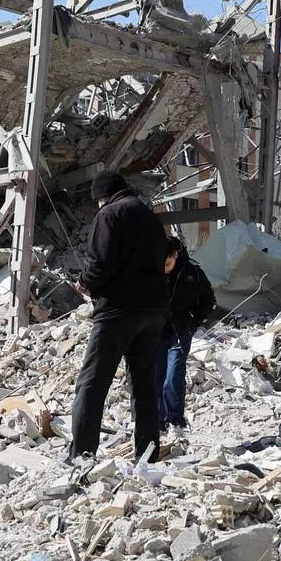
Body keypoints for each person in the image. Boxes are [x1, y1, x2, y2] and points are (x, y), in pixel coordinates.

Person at [69, 169, 169, 464]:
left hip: (118, 311)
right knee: (143, 384)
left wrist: (85, 283)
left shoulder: (110, 214)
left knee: (92, 383)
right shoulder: (151, 217)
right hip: (154, 310)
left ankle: (83, 454)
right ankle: (147, 455)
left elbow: (100, 261)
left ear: (103, 196)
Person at [156, 236, 216, 431]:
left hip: (180, 331)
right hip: (155, 332)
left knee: (173, 376)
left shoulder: (192, 273)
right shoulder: (151, 272)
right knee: (156, 377)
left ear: (176, 255)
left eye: (168, 263)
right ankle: (157, 421)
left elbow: (208, 300)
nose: (165, 267)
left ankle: (174, 420)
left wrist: (193, 322)